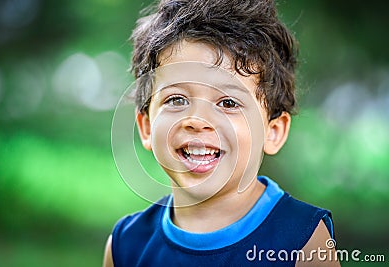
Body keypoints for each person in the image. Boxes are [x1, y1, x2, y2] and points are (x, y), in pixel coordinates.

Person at [103, 0, 340, 266]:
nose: (197, 121)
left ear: (272, 132)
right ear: (146, 126)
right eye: (177, 99)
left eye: (228, 103)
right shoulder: (126, 244)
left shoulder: (302, 239)